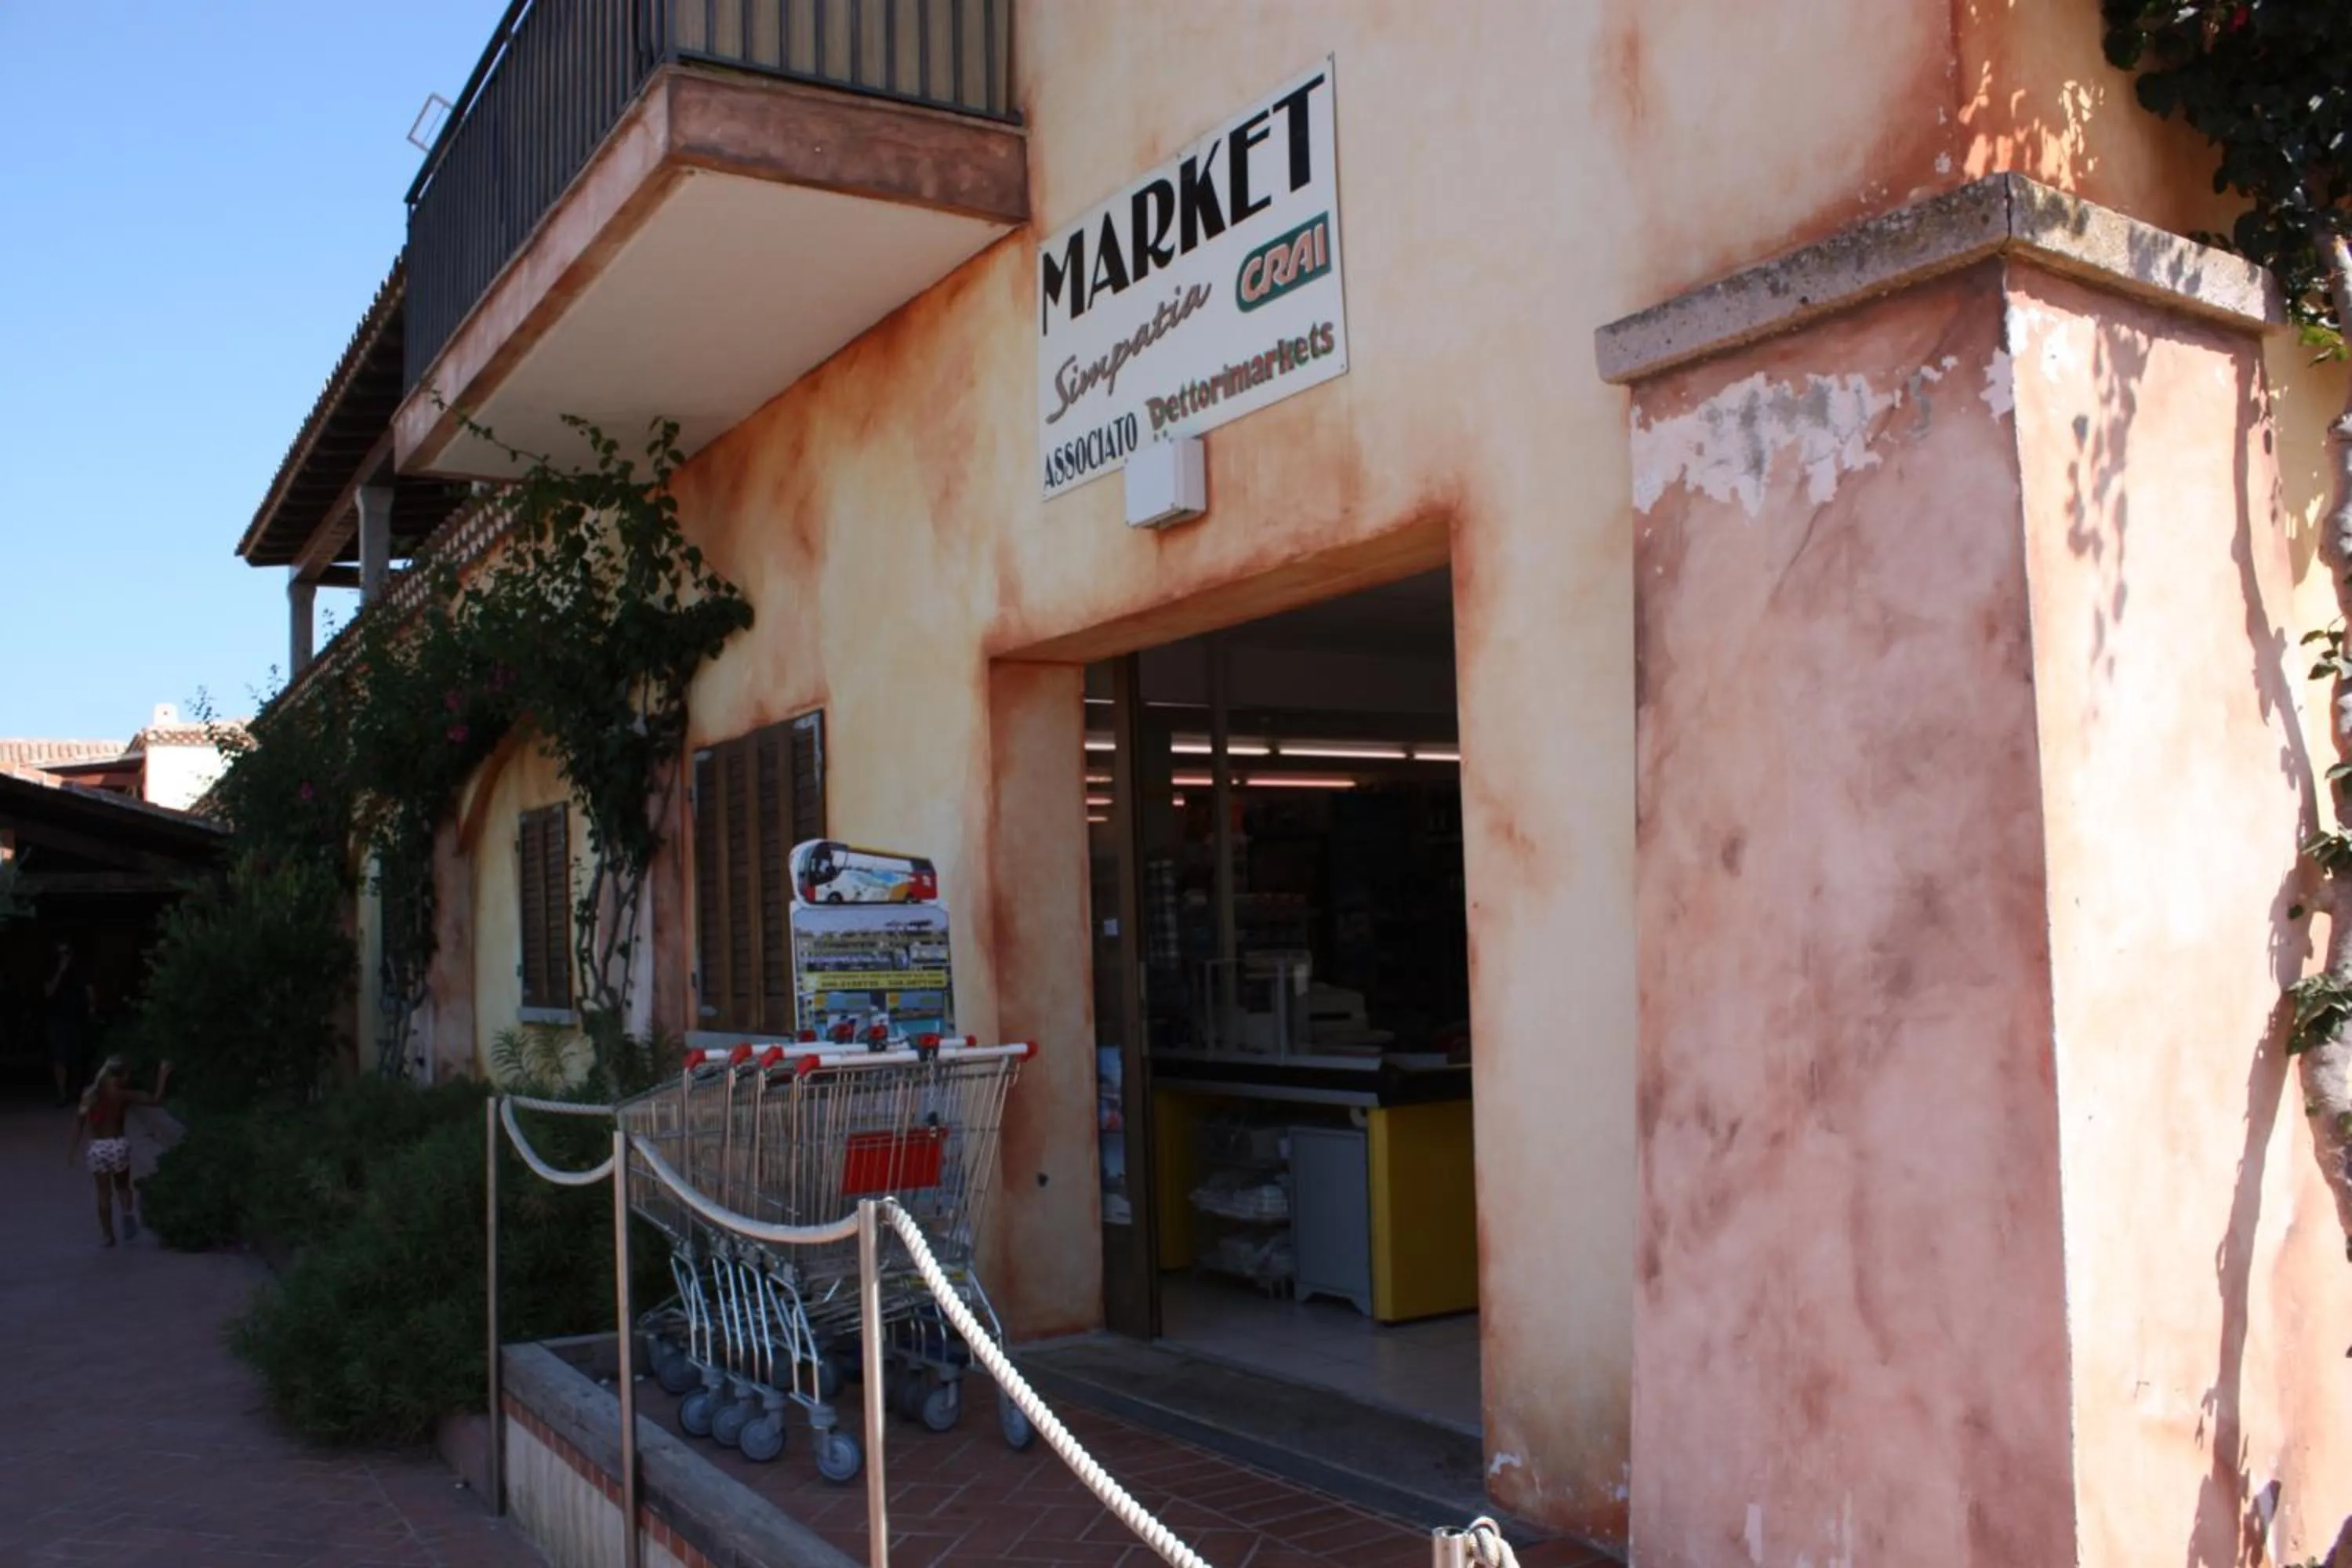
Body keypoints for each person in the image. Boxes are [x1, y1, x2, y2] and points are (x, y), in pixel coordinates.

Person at [70, 1056, 170, 1247]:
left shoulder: (90, 1094)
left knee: (103, 1194)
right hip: (118, 1146)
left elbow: (80, 1122)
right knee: (123, 1186)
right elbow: (156, 1100)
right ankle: (127, 1213)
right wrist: (163, 1075)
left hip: (98, 1148)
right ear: (122, 1075)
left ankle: (108, 1236)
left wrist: (72, 1150)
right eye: (128, 1075)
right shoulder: (123, 1095)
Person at [43, 940, 96, 1107]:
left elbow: (90, 990)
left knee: (77, 1057)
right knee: (59, 1057)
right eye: (61, 954)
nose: (64, 957)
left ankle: (75, 1091)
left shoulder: (81, 970)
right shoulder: (51, 970)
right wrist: (60, 972)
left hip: (77, 1019)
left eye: (67, 953)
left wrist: (92, 1008)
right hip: (58, 1019)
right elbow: (48, 992)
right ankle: (62, 1093)